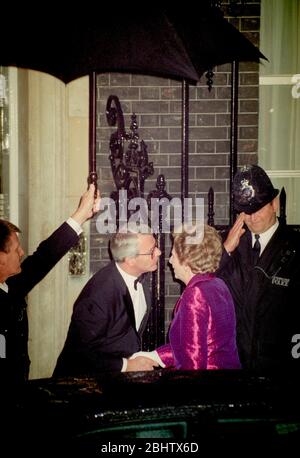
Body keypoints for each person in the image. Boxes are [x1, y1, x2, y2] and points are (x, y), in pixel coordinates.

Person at [0, 184, 100, 384]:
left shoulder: (12, 284)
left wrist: (81, 214)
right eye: (16, 250)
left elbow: (45, 256)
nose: (21, 253)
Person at [217, 164, 300, 372]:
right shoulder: (228, 245)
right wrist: (225, 251)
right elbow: (206, 290)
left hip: (278, 372)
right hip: (233, 368)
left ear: (275, 203)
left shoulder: (295, 248)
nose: (252, 218)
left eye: (258, 209)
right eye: (246, 211)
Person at [53, 223, 161, 377]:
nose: (159, 252)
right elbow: (81, 355)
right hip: (82, 385)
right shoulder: (98, 295)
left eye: (155, 246)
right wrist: (127, 365)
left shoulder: (140, 279)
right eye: (151, 251)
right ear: (129, 259)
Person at [131, 223, 241, 370]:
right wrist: (154, 356)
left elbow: (193, 362)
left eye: (173, 255)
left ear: (187, 260)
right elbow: (194, 346)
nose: (170, 261)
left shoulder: (195, 294)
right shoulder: (218, 284)